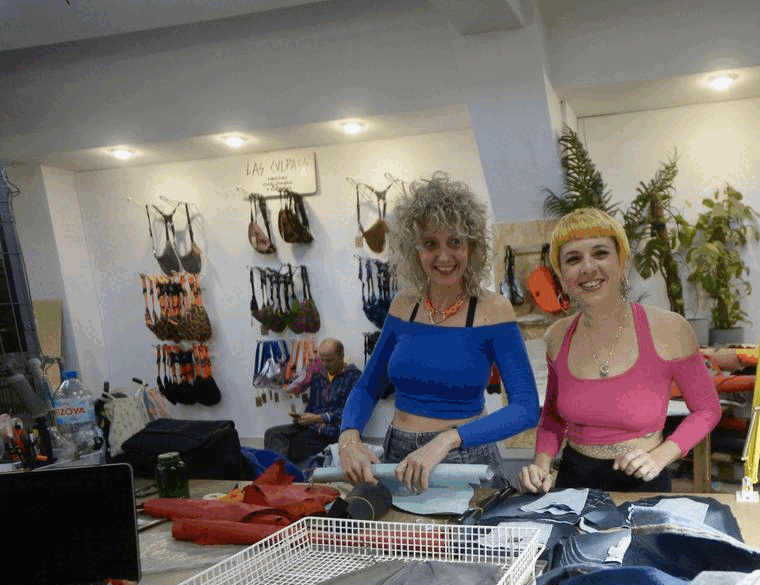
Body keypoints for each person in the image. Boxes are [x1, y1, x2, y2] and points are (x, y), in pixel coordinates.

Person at [338, 173, 539, 492]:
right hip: (398, 454)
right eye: (430, 244)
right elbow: (367, 386)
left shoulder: (492, 310)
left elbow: (525, 408)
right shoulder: (403, 305)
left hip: (464, 455)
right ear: (414, 249)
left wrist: (448, 439)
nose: (444, 257)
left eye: (455, 242)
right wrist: (348, 437)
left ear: (472, 245)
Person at [519, 208, 721, 494]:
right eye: (573, 259)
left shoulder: (670, 329)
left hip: (644, 481)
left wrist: (660, 457)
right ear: (562, 277)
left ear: (622, 264)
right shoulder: (557, 337)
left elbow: (707, 409)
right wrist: (541, 465)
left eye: (600, 253)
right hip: (573, 483)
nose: (588, 268)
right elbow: (552, 418)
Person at [264, 338, 362, 466]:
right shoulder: (318, 372)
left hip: (331, 432)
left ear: (341, 356)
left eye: (329, 360)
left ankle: (279, 473)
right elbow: (311, 402)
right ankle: (277, 472)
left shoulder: (354, 376)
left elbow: (349, 410)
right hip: (311, 426)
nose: (325, 364)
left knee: (289, 447)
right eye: (322, 360)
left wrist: (319, 418)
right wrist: (304, 418)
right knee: (272, 434)